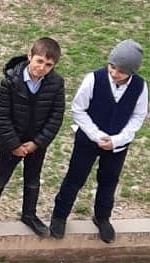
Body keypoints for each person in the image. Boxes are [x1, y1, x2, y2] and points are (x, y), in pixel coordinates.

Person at [50, 40, 147, 243]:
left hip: (117, 145)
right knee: (74, 178)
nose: (115, 73)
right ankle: (59, 215)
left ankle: (102, 217)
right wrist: (96, 134)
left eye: (121, 71)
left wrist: (117, 140)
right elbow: (78, 109)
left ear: (132, 72)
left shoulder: (140, 86)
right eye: (112, 67)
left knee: (109, 181)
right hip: (87, 140)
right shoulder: (94, 79)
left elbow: (138, 116)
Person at [0, 37, 65, 238]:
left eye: (48, 65)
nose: (42, 68)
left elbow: (56, 117)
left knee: (32, 181)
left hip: (36, 144)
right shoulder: (10, 81)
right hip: (10, 144)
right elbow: (1, 115)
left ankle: (29, 215)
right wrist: (14, 144)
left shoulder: (56, 84)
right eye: (39, 61)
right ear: (30, 56)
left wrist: (37, 143)